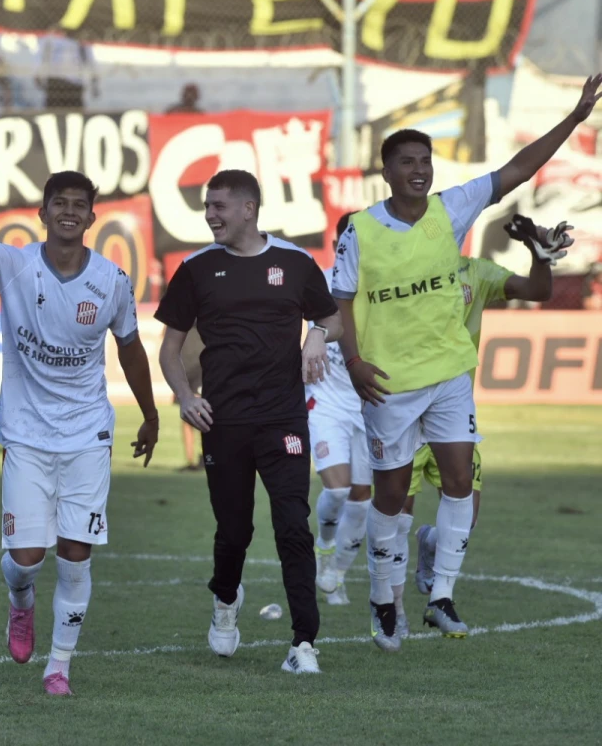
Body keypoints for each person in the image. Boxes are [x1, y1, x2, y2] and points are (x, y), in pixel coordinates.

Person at [332, 74, 600, 651]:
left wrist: (576, 118)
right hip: (388, 384)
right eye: (407, 161)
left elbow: (518, 170)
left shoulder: (449, 209)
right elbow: (341, 300)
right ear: (387, 171)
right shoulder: (360, 231)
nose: (420, 170)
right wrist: (352, 359)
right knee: (391, 497)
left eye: (425, 160)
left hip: (449, 374)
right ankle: (383, 599)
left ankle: (443, 595)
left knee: (460, 481)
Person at [0, 132, 160, 696]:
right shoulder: (14, 264)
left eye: (79, 206)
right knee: (27, 559)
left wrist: (150, 414)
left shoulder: (111, 281)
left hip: (87, 434)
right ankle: (20, 602)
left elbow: (129, 346)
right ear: (43, 213)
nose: (69, 213)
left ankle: (60, 665)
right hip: (26, 434)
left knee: (76, 555)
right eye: (60, 204)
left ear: (92, 217)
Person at [157, 169, 342, 676]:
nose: (210, 215)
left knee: (293, 527)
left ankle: (305, 643)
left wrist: (315, 337)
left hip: (283, 416)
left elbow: (332, 318)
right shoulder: (196, 269)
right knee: (234, 529)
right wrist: (184, 396)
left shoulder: (295, 262)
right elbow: (169, 349)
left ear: (248, 209)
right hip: (224, 419)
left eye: (218, 206)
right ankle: (225, 600)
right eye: (207, 207)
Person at [408, 220, 566, 597]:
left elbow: (538, 291)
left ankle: (430, 544)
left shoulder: (475, 273)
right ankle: (389, 608)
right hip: (405, 411)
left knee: (466, 519)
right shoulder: (400, 272)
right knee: (395, 517)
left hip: (454, 412)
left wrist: (539, 257)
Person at [308, 214, 372, 610]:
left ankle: (338, 576)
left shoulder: (385, 289)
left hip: (370, 405)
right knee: (338, 489)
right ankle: (325, 549)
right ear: (337, 245)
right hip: (326, 401)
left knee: (362, 500)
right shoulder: (321, 283)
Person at [174, 327, 205, 471]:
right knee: (186, 415)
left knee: (202, 412)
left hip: (200, 365)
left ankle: (206, 457)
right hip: (183, 368)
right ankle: (190, 461)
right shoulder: (178, 308)